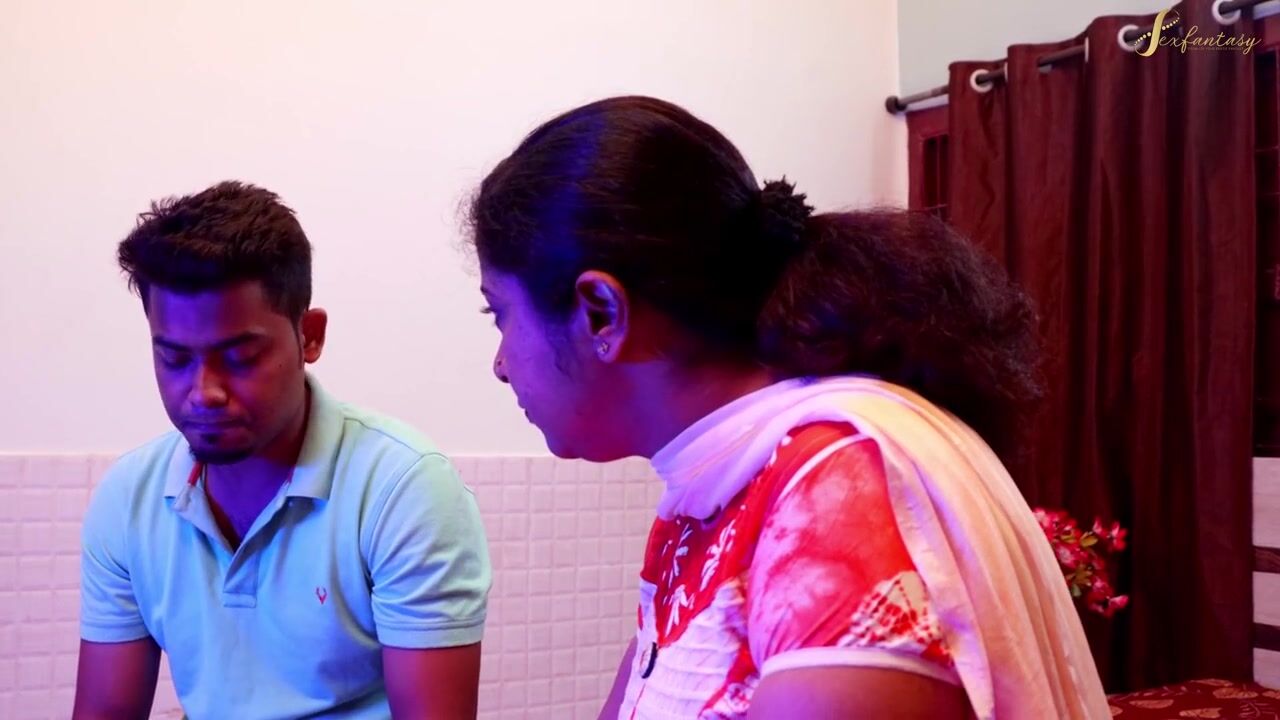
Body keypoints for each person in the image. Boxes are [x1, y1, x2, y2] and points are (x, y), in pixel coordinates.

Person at [468, 96, 1109, 719]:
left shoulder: (837, 496)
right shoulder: (701, 507)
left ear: (600, 312)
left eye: (500, 314)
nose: (500, 364)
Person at [73, 181, 491, 720]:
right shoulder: (129, 499)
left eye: (240, 357)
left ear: (309, 336)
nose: (204, 392)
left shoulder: (403, 488)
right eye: (174, 359)